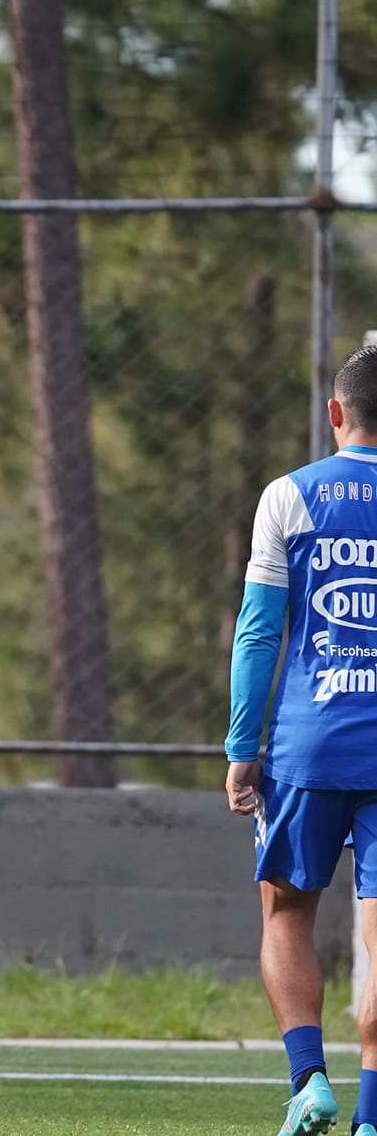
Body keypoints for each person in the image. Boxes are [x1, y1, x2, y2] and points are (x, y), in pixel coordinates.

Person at [225, 345, 377, 1136]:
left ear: (335, 413)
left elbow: (259, 633)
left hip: (308, 744)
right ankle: (373, 1115)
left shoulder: (290, 494)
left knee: (286, 913)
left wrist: (240, 745)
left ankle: (309, 1080)